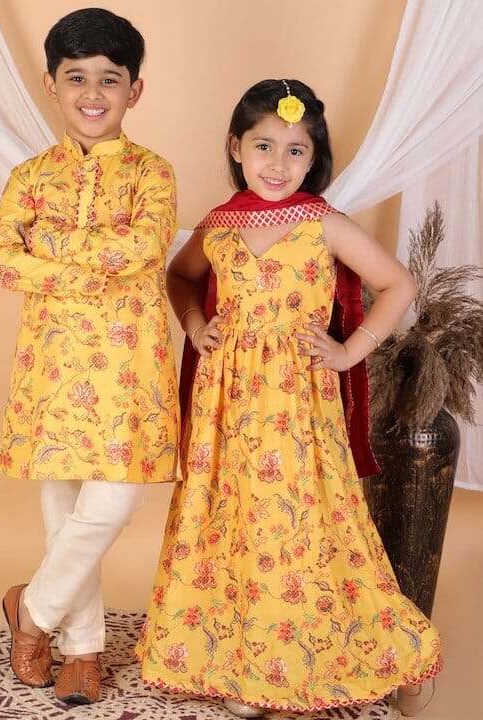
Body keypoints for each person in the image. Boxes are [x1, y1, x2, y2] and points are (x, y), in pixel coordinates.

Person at [135, 79, 441, 718]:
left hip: (297, 401)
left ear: (313, 157)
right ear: (236, 148)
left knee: (294, 522)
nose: (278, 164)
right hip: (226, 402)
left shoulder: (323, 223)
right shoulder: (219, 225)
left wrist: (349, 351)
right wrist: (195, 324)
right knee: (230, 517)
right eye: (264, 146)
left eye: (296, 150)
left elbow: (398, 285)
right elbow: (180, 277)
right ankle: (238, 664)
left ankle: (300, 662)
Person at [0, 8, 179, 706]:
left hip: (129, 369)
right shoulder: (29, 177)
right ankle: (83, 649)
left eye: (109, 79)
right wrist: (95, 263)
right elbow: (4, 261)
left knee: (110, 504)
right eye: (76, 78)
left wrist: (49, 246)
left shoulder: (153, 174)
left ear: (135, 90)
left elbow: (144, 248)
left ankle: (32, 611)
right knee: (64, 511)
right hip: (54, 364)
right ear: (51, 84)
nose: (92, 93)